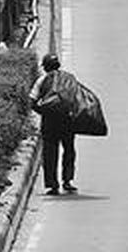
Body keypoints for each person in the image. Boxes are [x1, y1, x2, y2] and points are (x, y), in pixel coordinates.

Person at [29, 53, 77, 195]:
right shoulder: (69, 78)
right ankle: (67, 180)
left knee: (50, 153)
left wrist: (43, 111)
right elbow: (77, 98)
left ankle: (53, 185)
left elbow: (31, 101)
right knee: (69, 150)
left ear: (45, 68)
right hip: (67, 121)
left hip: (49, 122)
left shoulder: (42, 80)